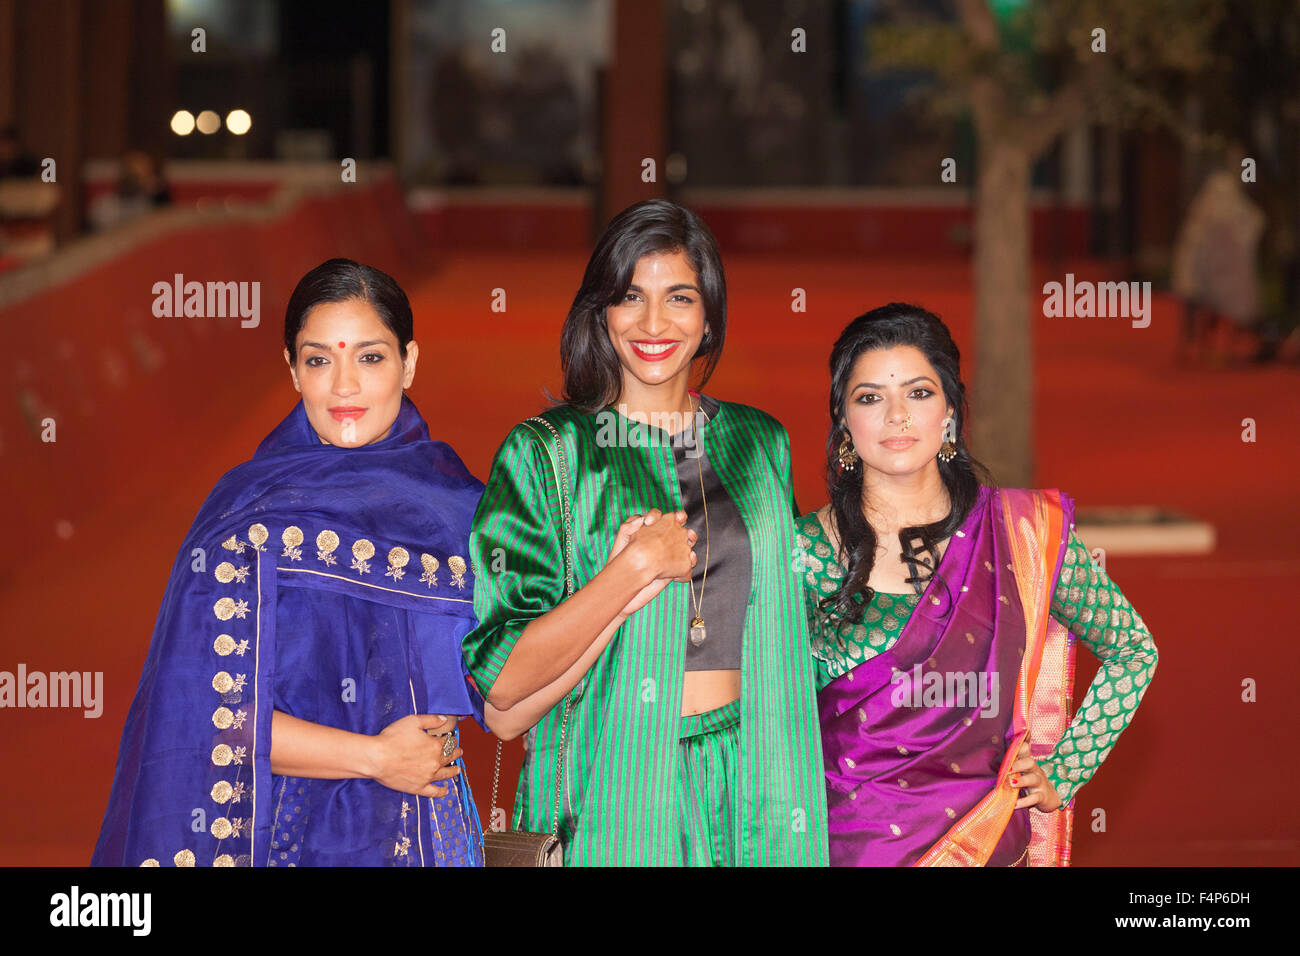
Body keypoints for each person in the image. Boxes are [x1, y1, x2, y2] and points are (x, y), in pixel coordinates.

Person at [463, 199, 828, 866]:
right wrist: (630, 572)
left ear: (709, 314)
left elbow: (794, 619)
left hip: (752, 778)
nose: (654, 323)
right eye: (630, 297)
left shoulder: (759, 442)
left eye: (679, 298)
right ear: (601, 312)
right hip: (611, 783)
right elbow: (504, 682)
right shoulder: (549, 454)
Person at [92, 258, 485, 867]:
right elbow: (201, 711)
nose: (345, 386)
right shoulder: (247, 516)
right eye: (320, 360)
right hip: (286, 834)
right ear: (293, 370)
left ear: (409, 362)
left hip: (427, 831)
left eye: (371, 357)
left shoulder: (461, 507)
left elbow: (510, 688)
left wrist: (623, 576)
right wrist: (376, 756)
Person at [796, 303, 1158, 866]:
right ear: (844, 422)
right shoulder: (802, 551)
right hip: (840, 848)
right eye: (870, 397)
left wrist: (1066, 769)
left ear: (950, 414)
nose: (897, 416)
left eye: (918, 393)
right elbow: (757, 714)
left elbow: (1133, 648)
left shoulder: (1020, 534)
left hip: (981, 844)